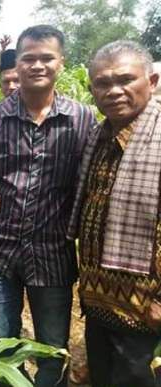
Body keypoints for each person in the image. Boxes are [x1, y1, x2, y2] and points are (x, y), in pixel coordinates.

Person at [0, 25, 96, 386]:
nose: (37, 65)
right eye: (28, 58)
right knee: (2, 343)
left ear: (61, 63)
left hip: (53, 252)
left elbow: (90, 179)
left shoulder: (81, 119)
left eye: (46, 58)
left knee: (53, 345)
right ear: (16, 65)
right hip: (0, 249)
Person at [68, 40, 161, 387]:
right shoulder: (100, 135)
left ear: (150, 82)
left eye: (125, 80)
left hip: (144, 307)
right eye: (102, 83)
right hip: (98, 298)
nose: (113, 91)